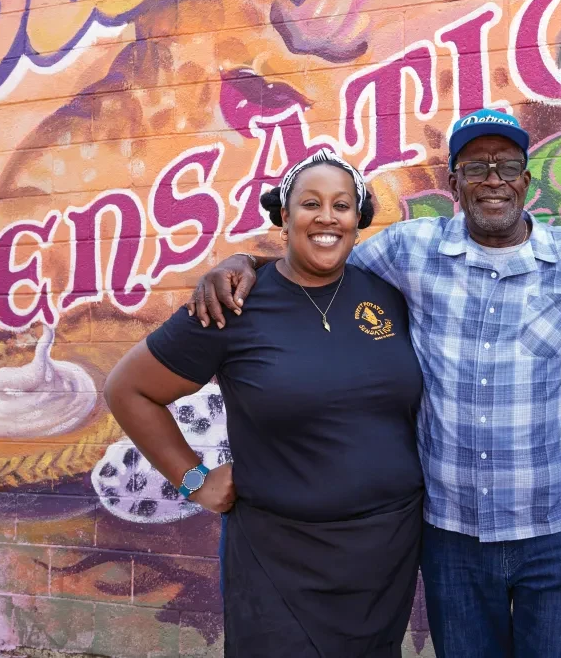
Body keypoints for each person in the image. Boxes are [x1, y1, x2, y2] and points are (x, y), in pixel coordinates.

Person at [187, 109, 561, 658]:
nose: (493, 179)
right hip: (453, 534)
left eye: (507, 165)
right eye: (475, 167)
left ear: (527, 181)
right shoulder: (407, 250)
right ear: (454, 184)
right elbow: (319, 262)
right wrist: (245, 262)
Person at [104, 150, 423, 658]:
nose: (326, 217)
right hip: (279, 556)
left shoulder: (388, 295)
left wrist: (246, 257)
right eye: (310, 203)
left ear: (357, 221)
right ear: (283, 217)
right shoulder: (233, 302)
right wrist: (194, 480)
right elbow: (128, 390)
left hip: (385, 550)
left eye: (342, 205)